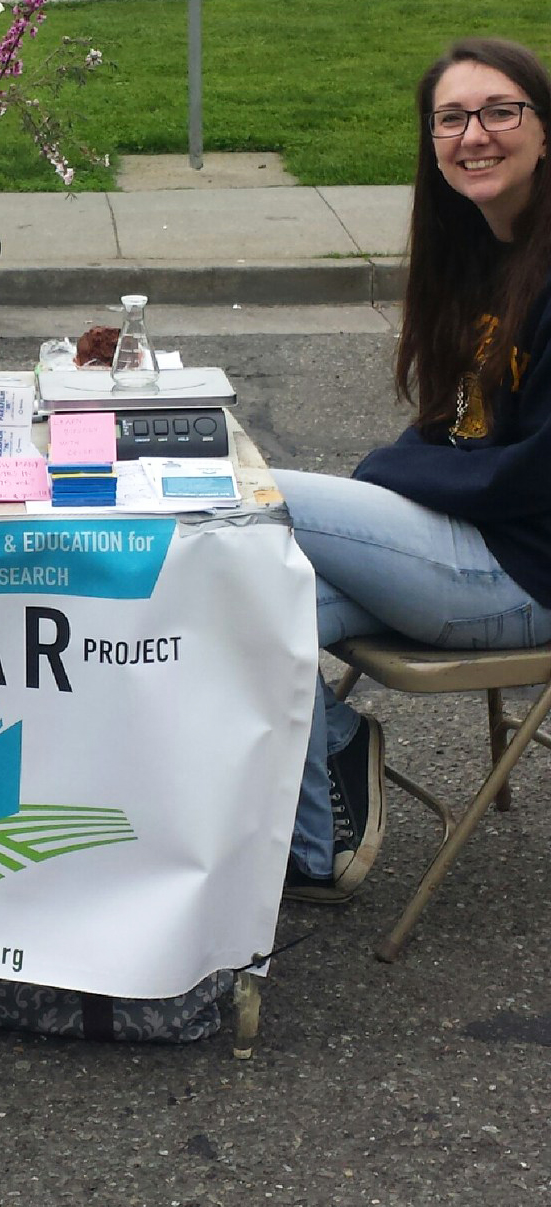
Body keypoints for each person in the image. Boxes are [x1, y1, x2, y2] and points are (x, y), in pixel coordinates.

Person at [277, 36, 551, 903]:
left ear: (544, 129)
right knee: (232, 597)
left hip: (525, 571)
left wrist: (386, 478)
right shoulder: (475, 253)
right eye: (451, 118)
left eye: (500, 111)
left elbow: (524, 476)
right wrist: (404, 471)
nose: (476, 134)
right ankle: (326, 807)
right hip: (466, 544)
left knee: (252, 496)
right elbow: (456, 431)